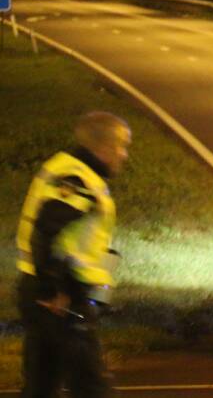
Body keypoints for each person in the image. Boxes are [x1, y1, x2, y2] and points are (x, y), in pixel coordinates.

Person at [16, 111, 132, 398]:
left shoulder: (70, 169)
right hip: (62, 298)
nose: (124, 155)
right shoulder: (77, 179)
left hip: (45, 292)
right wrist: (53, 289)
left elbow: (78, 241)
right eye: (122, 146)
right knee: (91, 386)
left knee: (41, 385)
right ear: (104, 148)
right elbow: (46, 229)